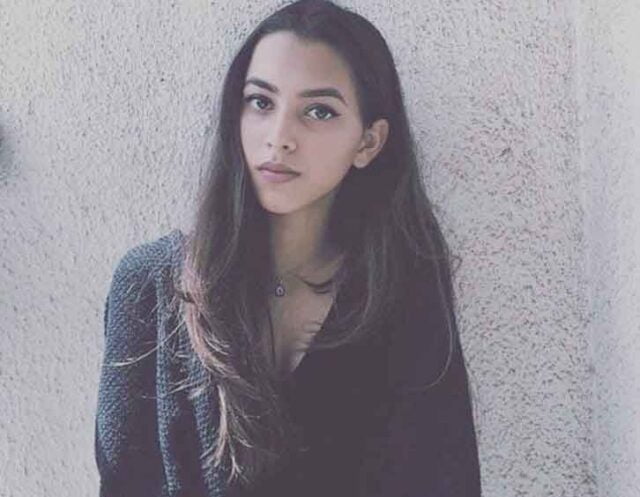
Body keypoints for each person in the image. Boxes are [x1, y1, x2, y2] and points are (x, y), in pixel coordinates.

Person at [94, 0, 482, 496]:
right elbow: (124, 481)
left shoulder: (403, 289)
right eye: (261, 102)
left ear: (368, 142)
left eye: (318, 111)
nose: (279, 138)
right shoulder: (150, 285)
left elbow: (443, 479)